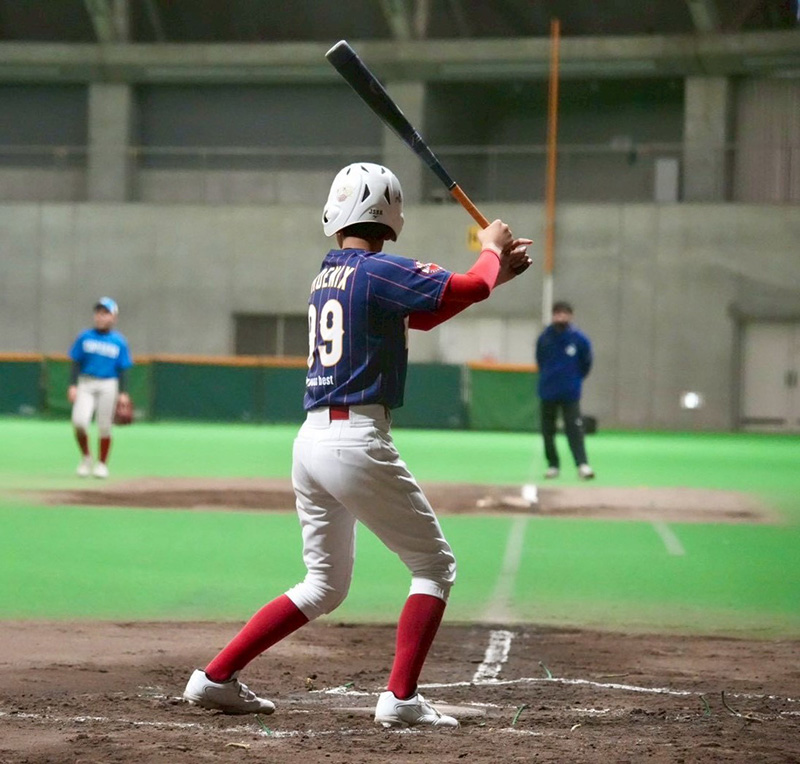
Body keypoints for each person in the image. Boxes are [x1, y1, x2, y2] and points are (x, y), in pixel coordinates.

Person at [182, 162, 532, 728]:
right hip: (355, 440)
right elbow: (467, 285)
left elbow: (420, 319)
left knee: (322, 585)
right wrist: (489, 248)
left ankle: (214, 677)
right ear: (390, 216)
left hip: (312, 441)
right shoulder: (376, 270)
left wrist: (496, 275)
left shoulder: (332, 273)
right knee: (434, 567)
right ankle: (400, 699)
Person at [67, 297, 133, 479]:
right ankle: (86, 458)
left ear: (114, 317)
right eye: (99, 312)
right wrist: (72, 385)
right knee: (79, 422)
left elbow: (123, 368)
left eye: (106, 313)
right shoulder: (84, 337)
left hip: (108, 384)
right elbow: (76, 362)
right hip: (86, 383)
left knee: (105, 426)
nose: (101, 316)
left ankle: (102, 464)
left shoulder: (119, 341)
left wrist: (124, 393)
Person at [535, 300, 594, 480]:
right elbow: (540, 360)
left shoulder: (579, 339)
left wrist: (574, 379)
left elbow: (587, 363)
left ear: (570, 316)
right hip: (548, 391)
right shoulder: (544, 338)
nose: (561, 317)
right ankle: (553, 465)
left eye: (564, 313)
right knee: (548, 431)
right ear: (553, 316)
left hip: (570, 392)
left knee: (574, 430)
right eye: (557, 313)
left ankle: (582, 465)